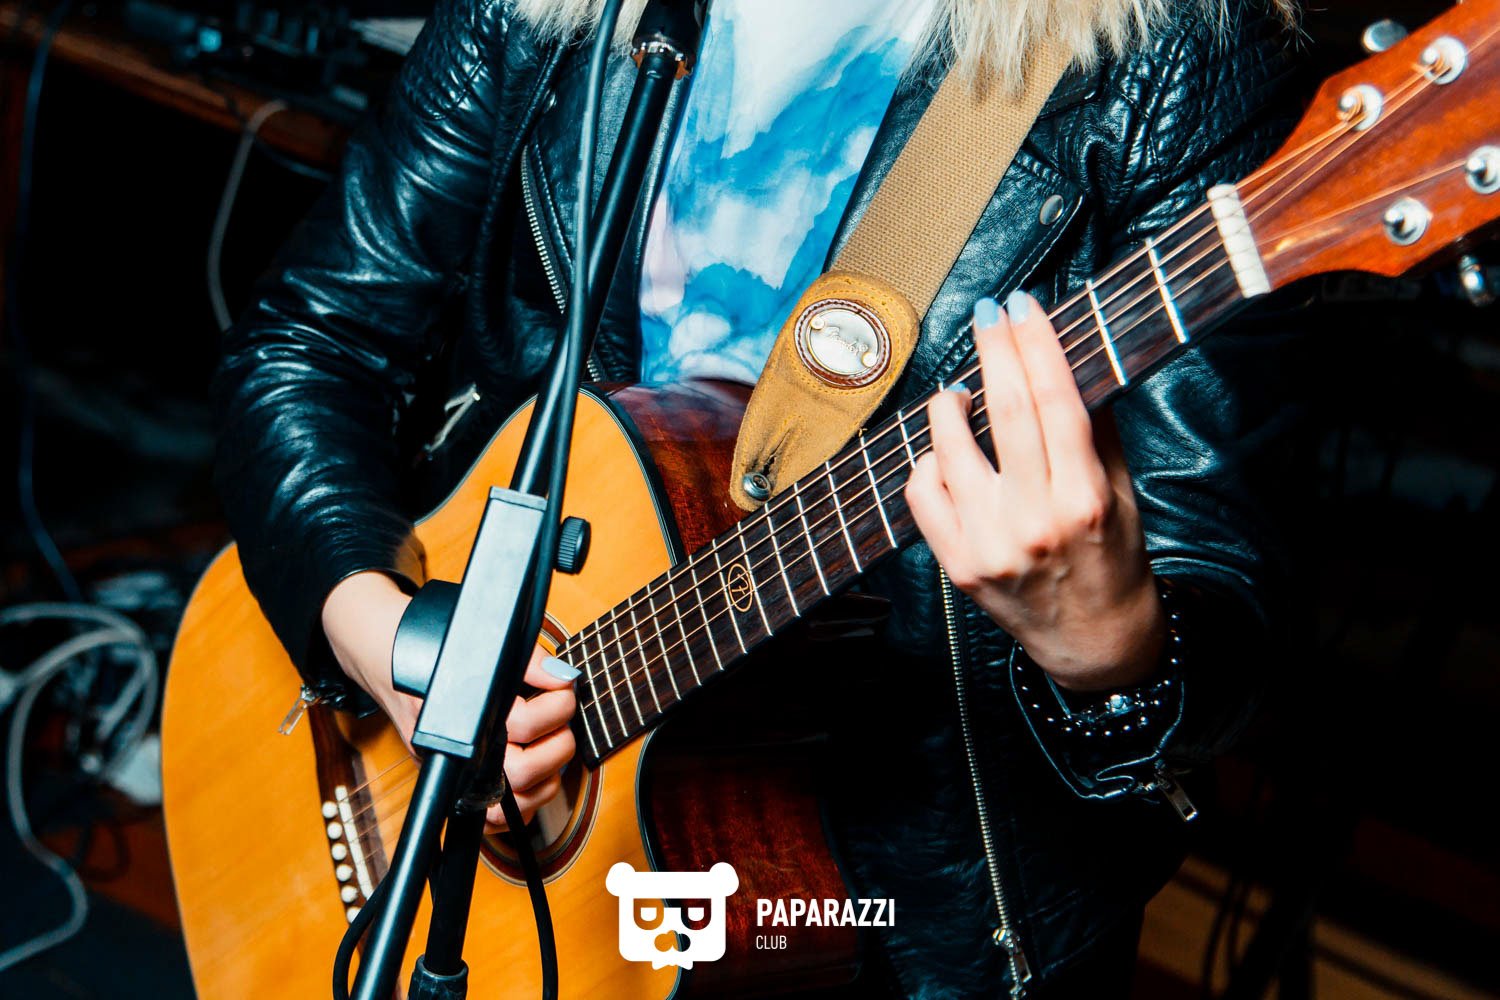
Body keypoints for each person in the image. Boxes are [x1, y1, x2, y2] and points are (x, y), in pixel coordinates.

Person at [211, 0, 1302, 994]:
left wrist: (1108, 644)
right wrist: (390, 642)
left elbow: (1225, 599)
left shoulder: (1172, 49)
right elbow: (310, 341)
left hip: (900, 914)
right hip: (543, 866)